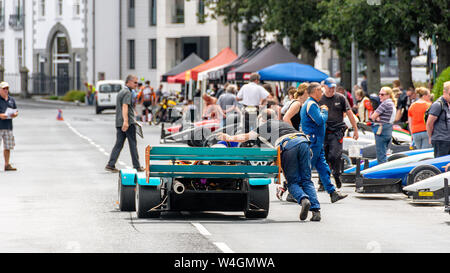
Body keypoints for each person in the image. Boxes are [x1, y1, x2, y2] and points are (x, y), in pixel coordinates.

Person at [217, 109, 322, 221]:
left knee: (292, 182)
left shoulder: (266, 125)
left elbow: (247, 136)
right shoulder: (283, 123)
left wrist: (229, 138)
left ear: (262, 119)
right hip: (303, 142)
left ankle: (303, 199)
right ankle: (316, 212)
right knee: (307, 180)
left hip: (288, 145)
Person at [301, 83, 348, 203]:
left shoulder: (311, 103)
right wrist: (324, 111)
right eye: (320, 91)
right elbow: (320, 120)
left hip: (317, 141)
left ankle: (332, 192)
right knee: (307, 169)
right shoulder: (311, 104)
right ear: (316, 91)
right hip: (314, 141)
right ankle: (296, 192)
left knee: (323, 167)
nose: (322, 94)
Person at [320, 79, 359, 190]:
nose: (332, 90)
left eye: (333, 87)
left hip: (337, 132)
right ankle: (323, 182)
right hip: (323, 131)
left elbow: (350, 114)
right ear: (324, 87)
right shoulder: (320, 99)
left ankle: (336, 174)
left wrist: (355, 129)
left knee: (335, 155)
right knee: (323, 157)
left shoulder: (340, 98)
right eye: (330, 87)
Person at [105, 75, 144, 173]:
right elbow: (125, 106)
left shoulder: (121, 91)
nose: (136, 85)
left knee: (119, 144)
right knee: (132, 144)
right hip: (128, 123)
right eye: (135, 82)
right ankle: (137, 166)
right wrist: (126, 121)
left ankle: (111, 164)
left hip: (119, 122)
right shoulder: (128, 92)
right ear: (129, 82)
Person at [370, 87, 396, 164]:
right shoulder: (391, 103)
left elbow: (372, 116)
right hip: (388, 129)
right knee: (384, 154)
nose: (380, 96)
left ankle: (383, 174)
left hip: (382, 130)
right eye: (379, 94)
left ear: (388, 95)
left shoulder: (385, 104)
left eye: (382, 94)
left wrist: (376, 117)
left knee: (381, 156)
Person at [426, 81, 450, 158]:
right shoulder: (438, 105)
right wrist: (430, 137)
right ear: (444, 92)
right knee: (441, 163)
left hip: (447, 139)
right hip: (441, 140)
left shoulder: (447, 105)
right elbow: (429, 123)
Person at [0, 82, 18, 171]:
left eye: (7, 88)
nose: (5, 90)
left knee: (7, 147)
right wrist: (0, 115)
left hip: (8, 126)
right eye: (4, 89)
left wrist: (15, 114)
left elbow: (16, 110)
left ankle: (7, 164)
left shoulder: (11, 100)